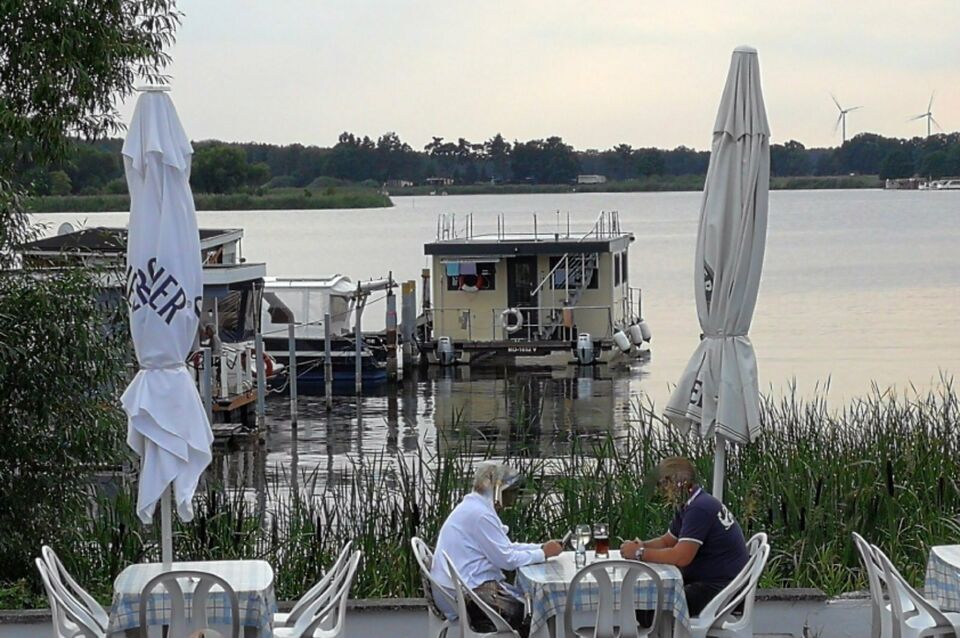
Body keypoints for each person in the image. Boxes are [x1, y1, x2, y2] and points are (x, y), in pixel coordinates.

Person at [431, 461, 563, 637]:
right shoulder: (481, 515)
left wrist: (540, 548)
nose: (514, 497)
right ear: (499, 490)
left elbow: (505, 547)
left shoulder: (474, 507)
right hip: (464, 596)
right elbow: (506, 560)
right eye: (512, 492)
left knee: (530, 606)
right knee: (534, 611)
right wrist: (542, 554)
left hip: (454, 591)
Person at [620, 457, 748, 618]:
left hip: (723, 589)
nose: (660, 491)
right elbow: (667, 541)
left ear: (678, 483)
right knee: (645, 604)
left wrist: (640, 553)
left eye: (663, 485)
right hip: (719, 582)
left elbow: (681, 557)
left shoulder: (699, 509)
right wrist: (641, 545)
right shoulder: (691, 504)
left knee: (648, 610)